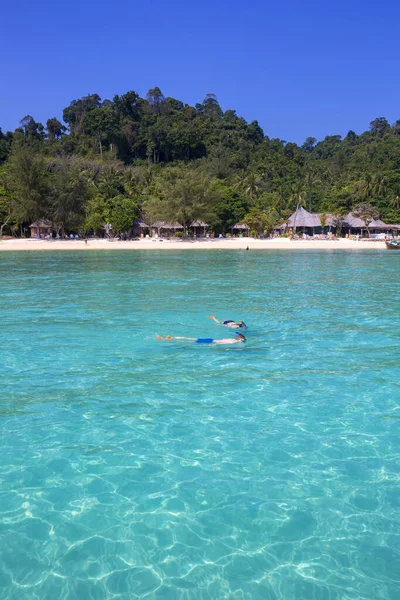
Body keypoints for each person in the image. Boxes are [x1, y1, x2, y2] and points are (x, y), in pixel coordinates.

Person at [157, 333, 246, 345]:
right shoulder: (233, 341)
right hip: (210, 341)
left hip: (211, 339)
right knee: (188, 340)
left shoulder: (233, 340)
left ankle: (171, 338)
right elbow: (223, 343)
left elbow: (223, 341)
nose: (236, 337)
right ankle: (169, 339)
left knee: (189, 339)